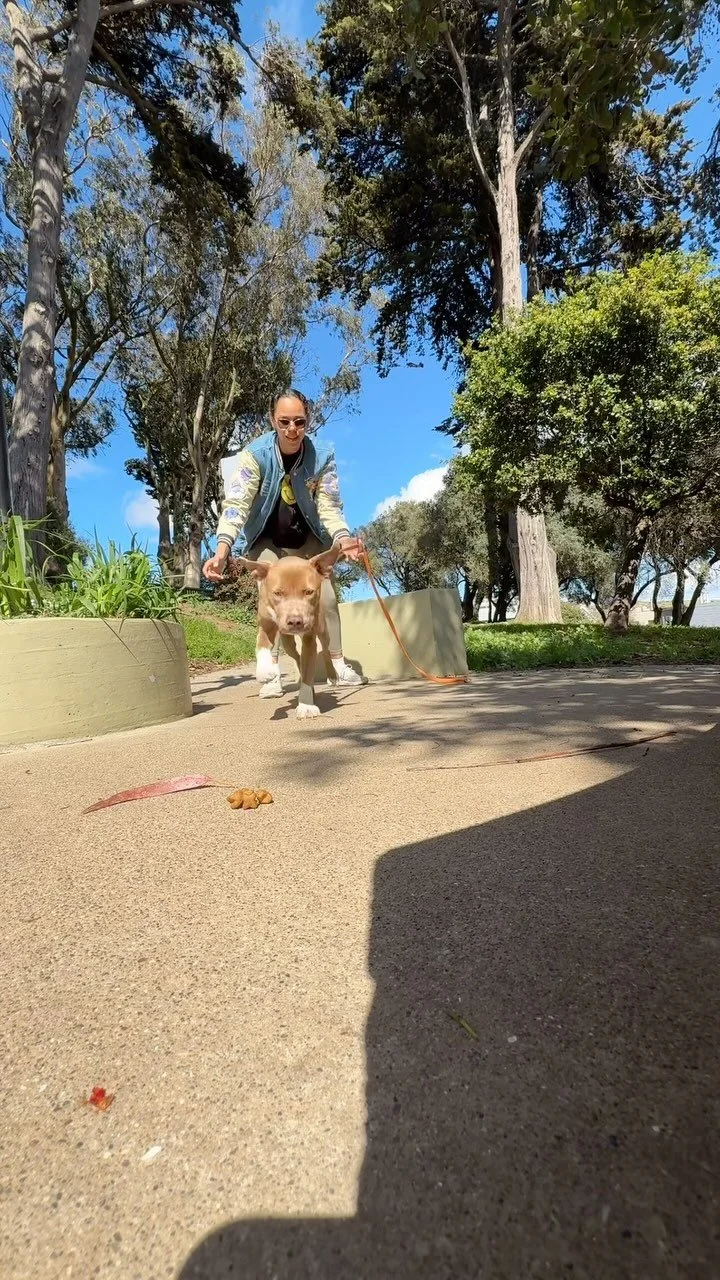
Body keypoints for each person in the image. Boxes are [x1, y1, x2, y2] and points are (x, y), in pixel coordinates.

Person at [202, 390, 365, 693]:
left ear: (307, 421)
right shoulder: (254, 455)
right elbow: (237, 504)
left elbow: (329, 505)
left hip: (308, 535)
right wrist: (222, 550)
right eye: (284, 421)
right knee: (272, 596)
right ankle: (272, 672)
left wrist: (342, 539)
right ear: (272, 420)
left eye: (299, 422)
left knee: (327, 598)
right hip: (266, 535)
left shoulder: (322, 455)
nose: (292, 429)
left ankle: (338, 664)